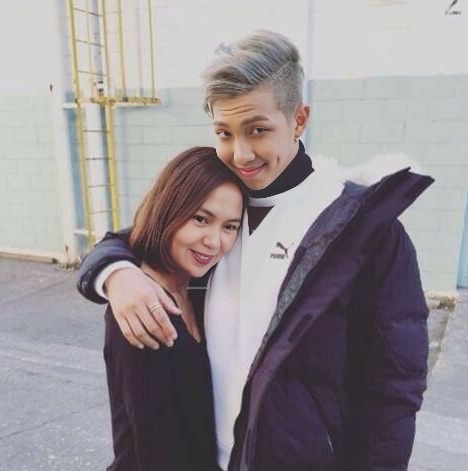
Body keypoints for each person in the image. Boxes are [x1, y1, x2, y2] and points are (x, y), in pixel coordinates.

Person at [78, 31, 433, 471]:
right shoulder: (224, 206)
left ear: (299, 120)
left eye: (258, 130)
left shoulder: (362, 230)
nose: (241, 153)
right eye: (224, 133)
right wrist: (116, 274)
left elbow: (393, 388)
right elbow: (140, 237)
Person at [100, 146, 246, 471]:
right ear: (169, 210)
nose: (214, 241)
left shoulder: (199, 286)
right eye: (201, 219)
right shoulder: (142, 307)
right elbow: (156, 449)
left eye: (230, 226)